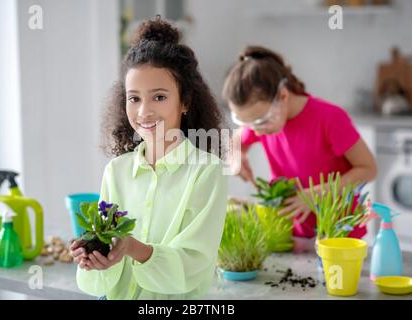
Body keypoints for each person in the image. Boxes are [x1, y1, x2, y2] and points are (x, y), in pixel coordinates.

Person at [70, 16, 228, 300]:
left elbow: (192, 265)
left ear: (185, 101)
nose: (143, 112)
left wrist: (131, 247)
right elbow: (100, 281)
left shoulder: (206, 172)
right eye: (134, 98)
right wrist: (94, 256)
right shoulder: (116, 171)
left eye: (158, 97)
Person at [222, 45, 377, 238]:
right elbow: (237, 139)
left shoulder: (330, 118)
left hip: (340, 233)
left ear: (283, 96)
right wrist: (235, 155)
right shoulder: (264, 123)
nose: (254, 130)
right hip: (294, 234)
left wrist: (316, 194)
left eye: (259, 122)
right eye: (244, 122)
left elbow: (368, 169)